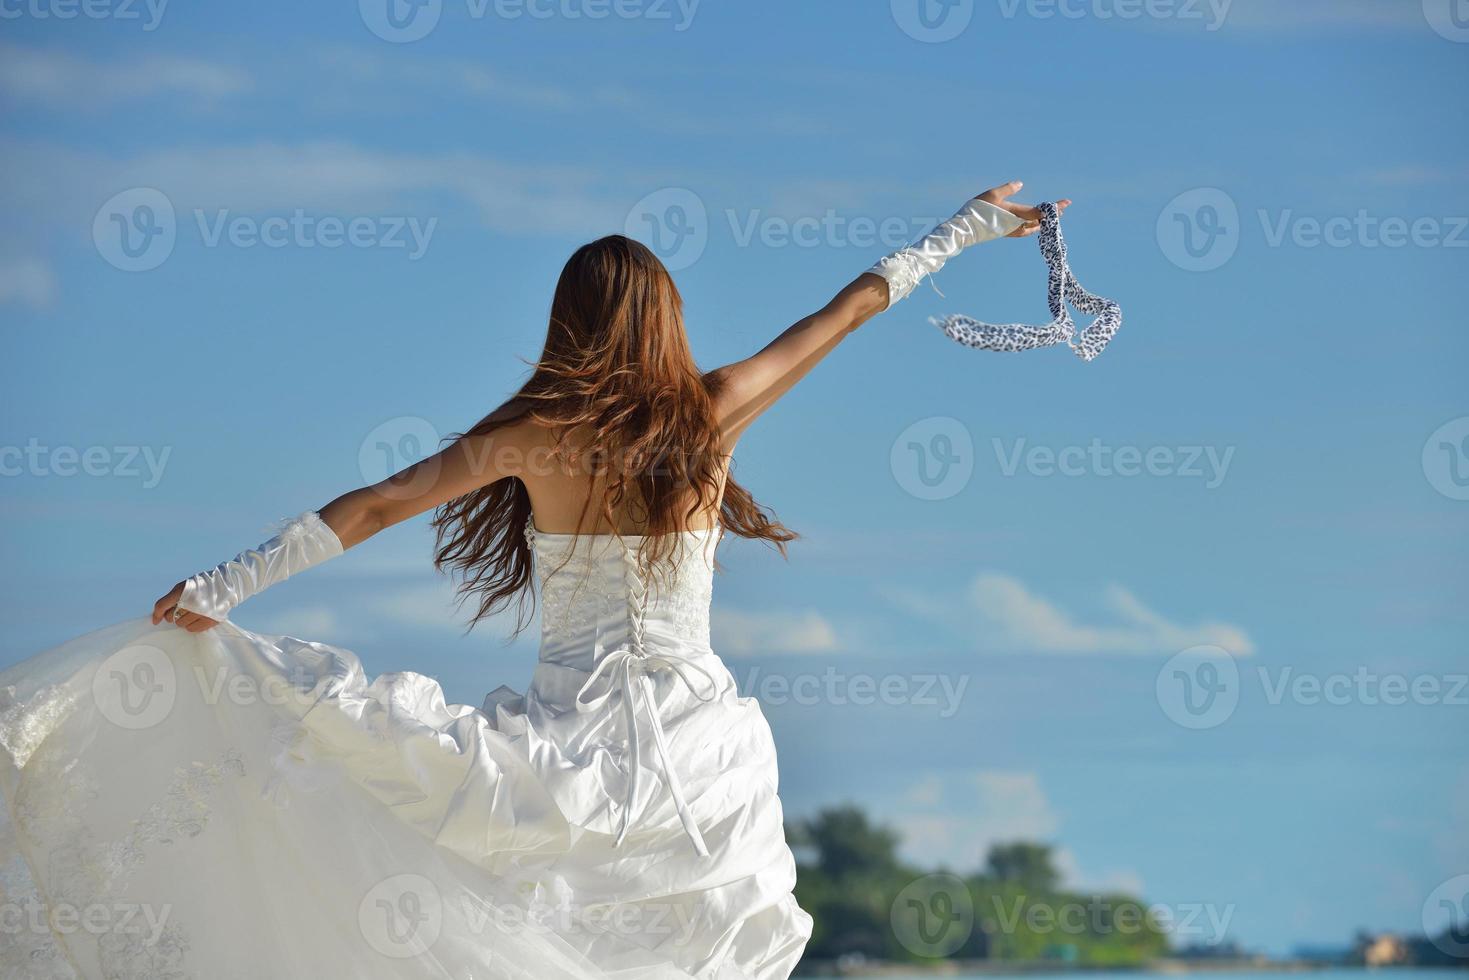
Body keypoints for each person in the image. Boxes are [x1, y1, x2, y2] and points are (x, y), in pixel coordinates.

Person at [0, 182, 1064, 979]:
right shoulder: (713, 409)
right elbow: (846, 311)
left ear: (569, 321)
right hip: (694, 744)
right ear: (665, 320)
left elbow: (370, 504)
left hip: (565, 739)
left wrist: (222, 584)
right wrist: (964, 229)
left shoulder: (527, 434)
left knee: (505, 898)